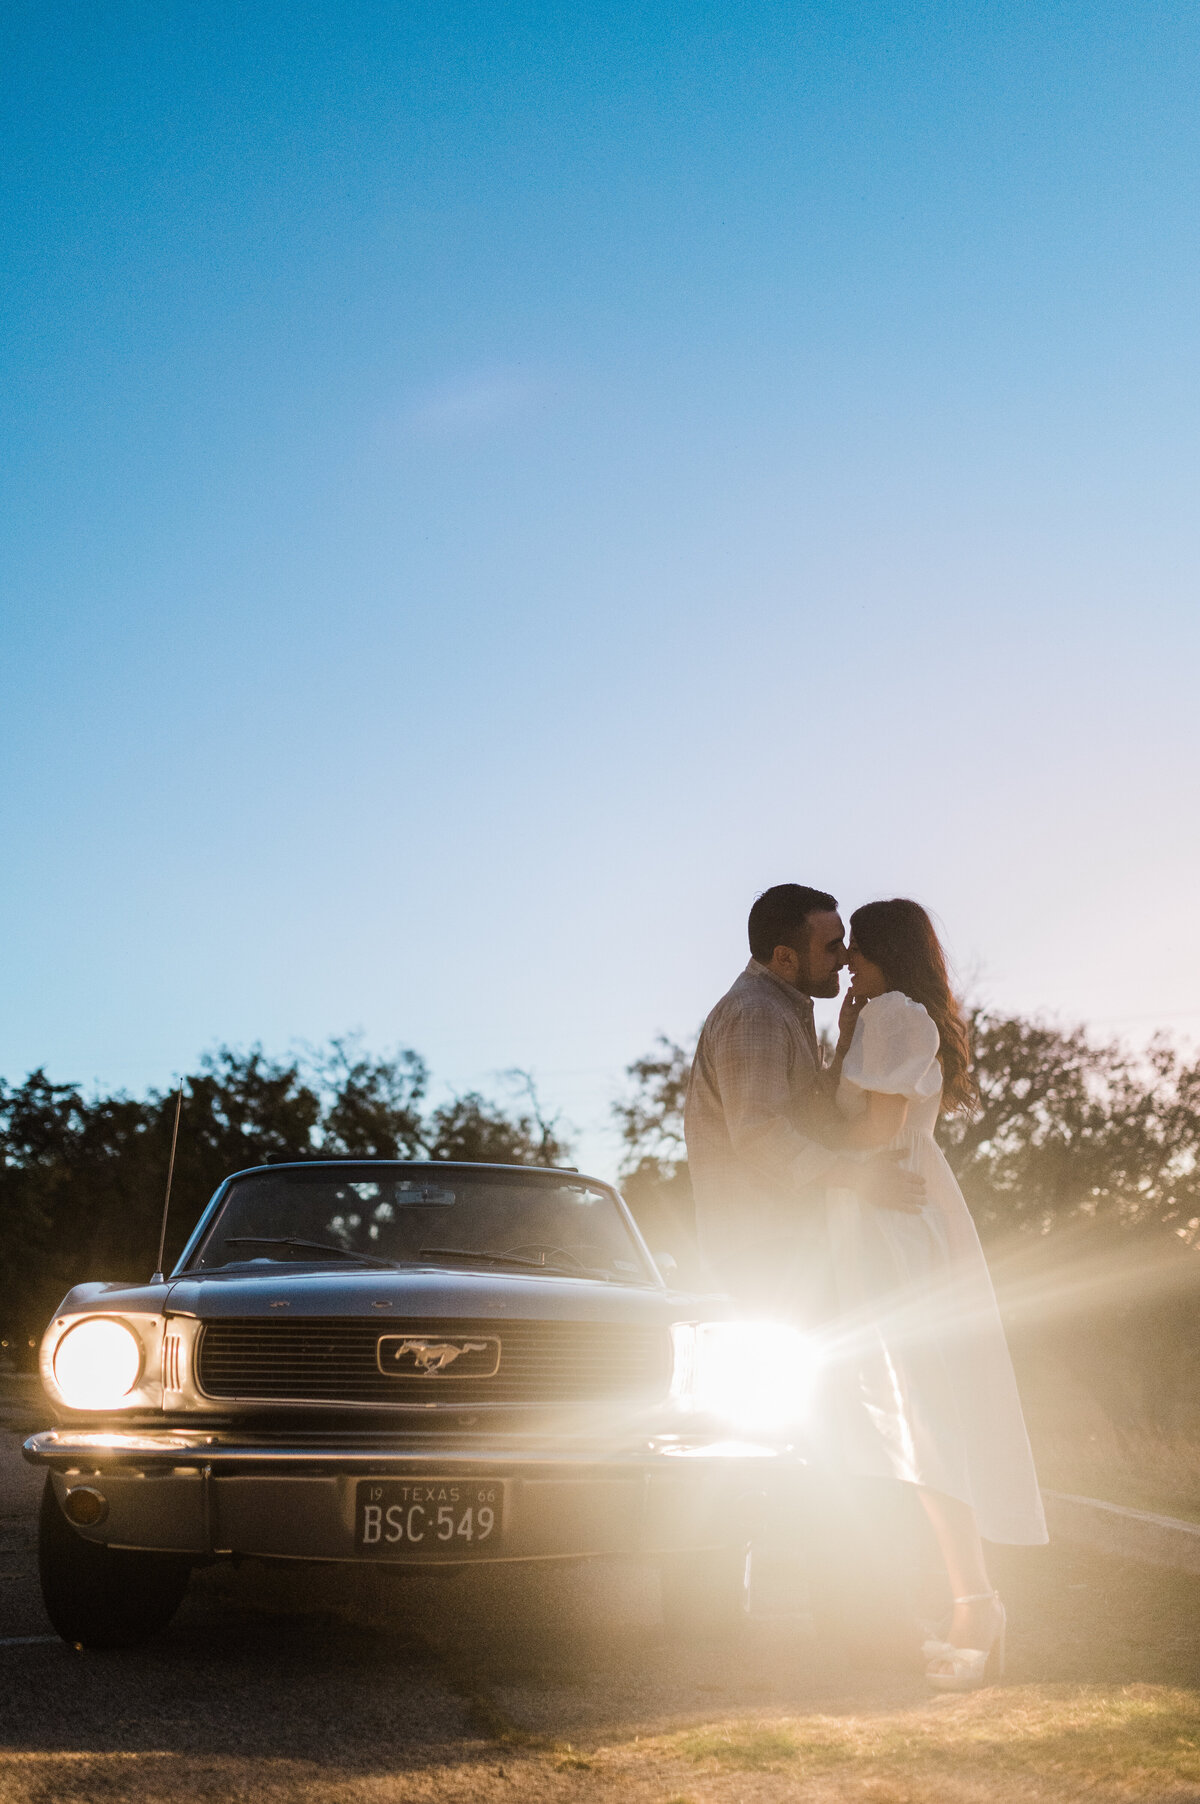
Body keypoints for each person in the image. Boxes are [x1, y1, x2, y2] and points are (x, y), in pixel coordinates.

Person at [824, 897, 1047, 1691]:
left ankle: (975, 1603)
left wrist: (806, 1137)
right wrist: (845, 1039)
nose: (843, 956)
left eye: (853, 943)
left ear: (882, 948)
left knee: (918, 1419)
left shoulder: (891, 1012)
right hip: (894, 1220)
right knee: (902, 1420)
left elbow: (875, 1137)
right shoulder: (893, 1015)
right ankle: (949, 1601)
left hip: (890, 1227)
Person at [684, 884, 925, 1317]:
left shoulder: (782, 1007)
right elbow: (760, 1135)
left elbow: (806, 1113)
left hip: (782, 1245)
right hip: (761, 1249)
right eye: (833, 948)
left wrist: (846, 1043)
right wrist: (860, 1178)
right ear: (785, 957)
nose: (846, 957)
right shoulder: (756, 1013)